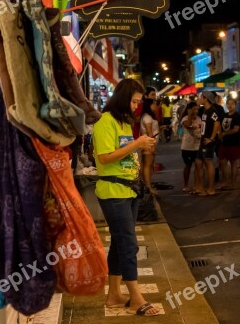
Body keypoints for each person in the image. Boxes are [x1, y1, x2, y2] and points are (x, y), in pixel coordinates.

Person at [92, 78, 159, 316]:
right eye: (134, 101)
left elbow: (123, 153)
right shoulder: (105, 121)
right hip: (113, 192)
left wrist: (141, 146)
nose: (136, 106)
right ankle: (136, 295)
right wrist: (136, 144)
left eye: (139, 102)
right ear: (123, 98)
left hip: (129, 189)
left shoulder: (123, 123)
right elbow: (105, 157)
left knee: (121, 244)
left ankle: (113, 295)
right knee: (129, 244)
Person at [194, 91, 222, 196]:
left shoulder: (211, 110)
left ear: (206, 98)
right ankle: (200, 187)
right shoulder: (205, 110)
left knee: (208, 163)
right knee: (198, 162)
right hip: (203, 140)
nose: (199, 99)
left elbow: (217, 123)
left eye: (201, 97)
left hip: (208, 141)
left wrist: (211, 138)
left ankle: (211, 189)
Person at [217, 98, 240, 189]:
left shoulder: (236, 116)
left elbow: (236, 129)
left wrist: (224, 134)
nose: (230, 105)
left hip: (234, 142)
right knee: (223, 162)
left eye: (232, 104)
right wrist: (220, 134)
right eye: (228, 104)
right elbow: (220, 125)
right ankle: (225, 181)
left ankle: (233, 183)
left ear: (235, 105)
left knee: (233, 162)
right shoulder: (224, 115)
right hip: (224, 142)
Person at [180, 101, 202, 193]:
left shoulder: (199, 119)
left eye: (197, 109)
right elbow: (188, 125)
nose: (196, 111)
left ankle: (196, 185)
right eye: (194, 109)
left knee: (198, 166)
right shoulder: (185, 118)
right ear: (189, 110)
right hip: (187, 147)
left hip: (197, 146)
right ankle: (186, 185)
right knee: (188, 166)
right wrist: (189, 115)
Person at [139, 98, 159, 193]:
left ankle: (148, 186)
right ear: (149, 105)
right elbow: (149, 132)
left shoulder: (147, 116)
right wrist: (152, 147)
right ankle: (148, 187)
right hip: (148, 144)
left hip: (149, 143)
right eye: (154, 104)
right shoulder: (147, 117)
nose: (155, 106)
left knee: (149, 165)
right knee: (147, 165)